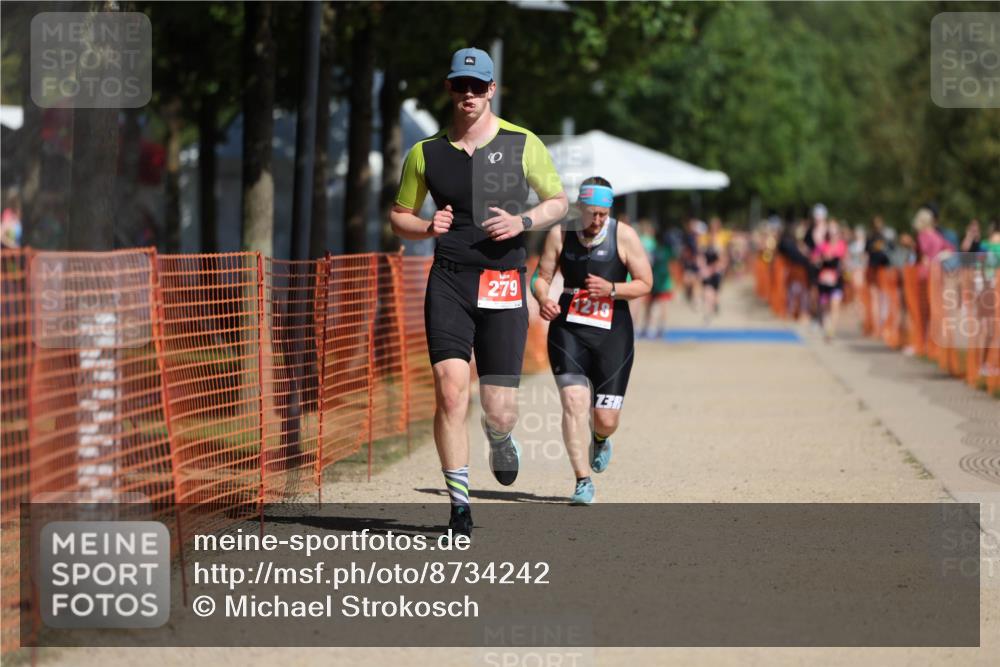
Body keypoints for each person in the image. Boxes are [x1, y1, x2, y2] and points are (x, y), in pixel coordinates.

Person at [389, 48, 568, 537]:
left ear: (491, 90)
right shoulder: (425, 153)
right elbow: (398, 215)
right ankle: (460, 507)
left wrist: (523, 221)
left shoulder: (521, 143)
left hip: (502, 282)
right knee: (450, 393)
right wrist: (426, 227)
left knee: (497, 405)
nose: (468, 95)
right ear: (450, 89)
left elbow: (558, 201)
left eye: (477, 86)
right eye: (459, 86)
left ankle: (500, 434)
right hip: (448, 278)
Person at [532, 177, 652, 504]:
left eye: (603, 213)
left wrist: (612, 289)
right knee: (573, 401)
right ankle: (582, 481)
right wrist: (543, 299)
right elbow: (540, 278)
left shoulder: (623, 235)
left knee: (606, 418)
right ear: (579, 208)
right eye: (591, 213)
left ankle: (600, 437)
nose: (597, 220)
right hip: (568, 329)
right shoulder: (560, 234)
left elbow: (645, 283)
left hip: (613, 332)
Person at [812, 219, 847, 341]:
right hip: (823, 282)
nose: (833, 234)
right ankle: (826, 328)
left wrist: (842, 265)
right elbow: (814, 259)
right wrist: (821, 260)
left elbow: (844, 261)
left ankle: (831, 331)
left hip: (836, 281)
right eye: (831, 232)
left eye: (835, 232)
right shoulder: (822, 246)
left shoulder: (842, 245)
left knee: (835, 306)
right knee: (824, 306)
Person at [643, 227, 676, 338]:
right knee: (661, 306)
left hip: (657, 282)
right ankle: (659, 328)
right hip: (662, 283)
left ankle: (650, 328)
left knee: (652, 306)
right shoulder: (666, 251)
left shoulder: (654, 251)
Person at [698, 217, 727, 322]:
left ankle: (715, 304)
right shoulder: (704, 240)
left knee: (715, 293)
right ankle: (707, 314)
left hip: (716, 271)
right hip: (707, 271)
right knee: (707, 292)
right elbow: (701, 256)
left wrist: (711, 269)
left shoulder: (721, 240)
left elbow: (722, 260)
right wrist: (702, 268)